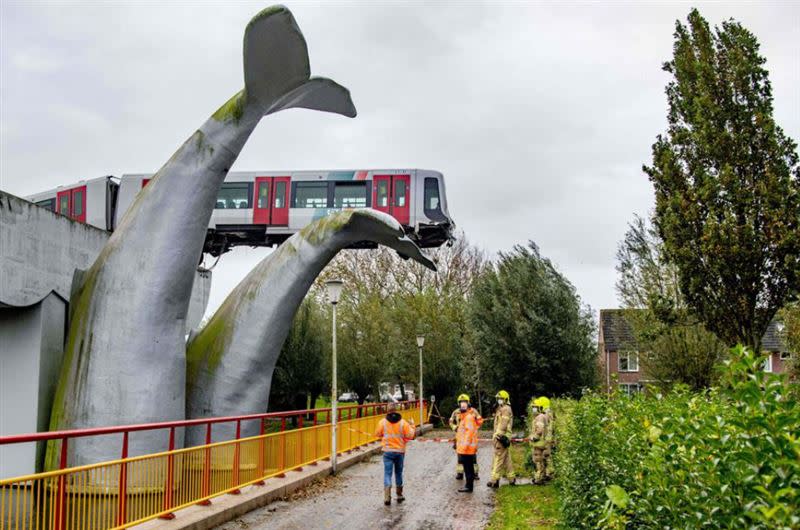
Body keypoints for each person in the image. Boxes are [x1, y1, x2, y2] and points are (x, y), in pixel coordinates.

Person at [374, 402, 416, 505]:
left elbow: (377, 434)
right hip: (399, 452)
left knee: (387, 474)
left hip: (387, 452)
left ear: (387, 410)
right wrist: (413, 425)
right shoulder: (403, 423)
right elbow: (410, 435)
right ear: (396, 410)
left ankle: (387, 497)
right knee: (398, 473)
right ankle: (399, 495)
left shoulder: (382, 422)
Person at [454, 393, 483, 493]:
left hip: (467, 449)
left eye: (464, 404)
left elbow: (469, 433)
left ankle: (469, 486)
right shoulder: (464, 417)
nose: (462, 406)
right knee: (468, 468)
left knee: (468, 468)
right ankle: (468, 486)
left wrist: (464, 446)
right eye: (461, 404)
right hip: (466, 448)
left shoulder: (468, 417)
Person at [486, 390, 515, 488]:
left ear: (506, 399)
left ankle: (494, 480)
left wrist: (498, 435)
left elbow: (503, 424)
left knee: (498, 458)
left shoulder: (506, 409)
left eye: (501, 398)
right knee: (506, 459)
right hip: (502, 436)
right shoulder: (502, 408)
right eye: (498, 398)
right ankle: (512, 479)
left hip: (501, 437)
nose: (499, 400)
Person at [449, 395, 480, 480]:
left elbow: (479, 421)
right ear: (458, 403)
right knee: (460, 456)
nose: (463, 404)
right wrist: (455, 427)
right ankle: (460, 473)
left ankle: (475, 474)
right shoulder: (456, 412)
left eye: (465, 402)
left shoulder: (473, 412)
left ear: (468, 402)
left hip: (470, 438)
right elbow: (451, 421)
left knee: (473, 457)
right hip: (459, 438)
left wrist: (474, 429)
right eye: (461, 402)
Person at [528, 397, 551, 485]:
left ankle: (538, 478)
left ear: (540, 408)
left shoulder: (540, 417)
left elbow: (540, 430)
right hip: (540, 442)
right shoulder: (541, 416)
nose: (533, 409)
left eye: (535, 407)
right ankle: (541, 477)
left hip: (538, 443)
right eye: (533, 407)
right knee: (540, 460)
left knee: (538, 460)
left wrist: (534, 437)